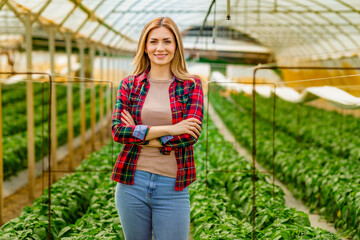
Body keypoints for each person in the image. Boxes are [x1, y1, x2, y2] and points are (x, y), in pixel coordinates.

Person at [111, 17, 204, 240]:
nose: (160, 48)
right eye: (153, 42)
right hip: (132, 183)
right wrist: (171, 129)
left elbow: (188, 136)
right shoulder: (129, 84)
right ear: (145, 46)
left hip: (172, 187)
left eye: (167, 41)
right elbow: (118, 132)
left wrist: (140, 133)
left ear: (176, 47)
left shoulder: (191, 85)